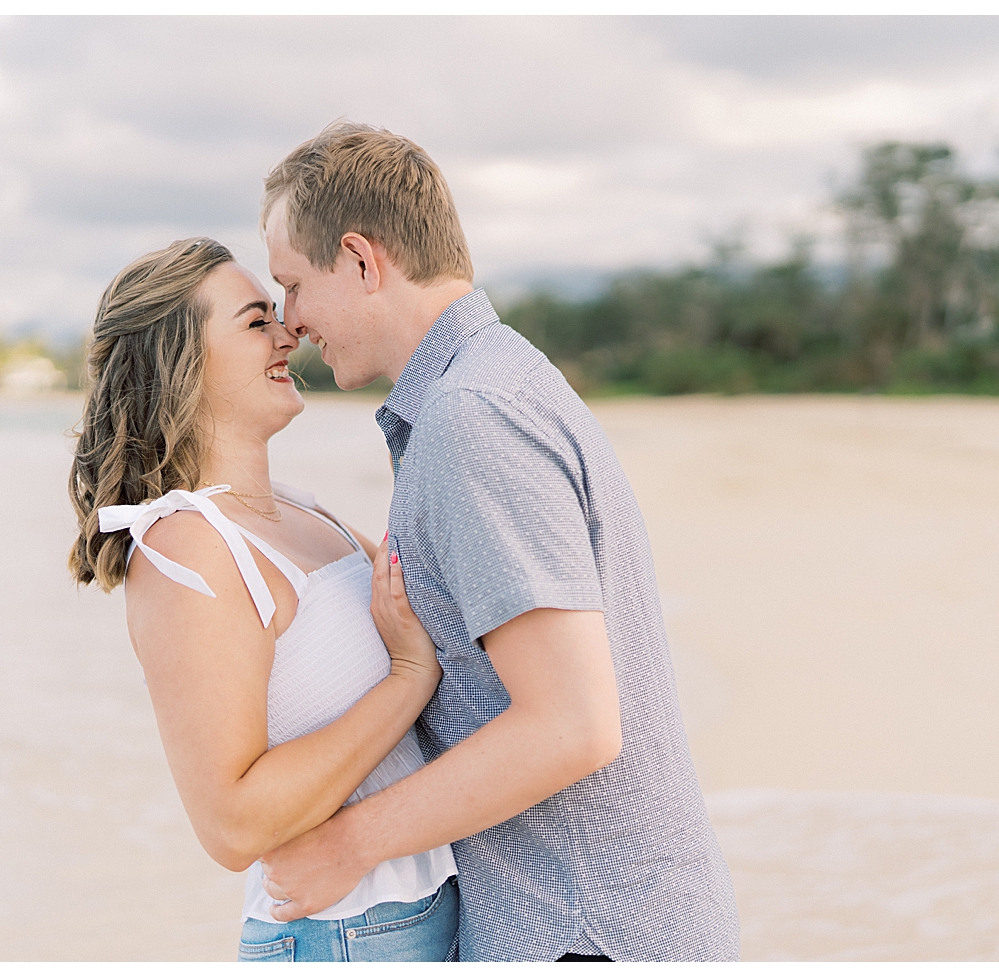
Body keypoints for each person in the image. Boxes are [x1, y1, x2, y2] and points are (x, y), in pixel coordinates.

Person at [254, 122, 742, 962]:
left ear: (364, 262)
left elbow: (574, 725)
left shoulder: (470, 419)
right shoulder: (497, 381)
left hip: (585, 934)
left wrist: (347, 844)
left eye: (294, 285)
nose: (291, 322)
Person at [67, 236, 460, 962]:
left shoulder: (303, 512)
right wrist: (409, 679)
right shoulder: (187, 547)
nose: (290, 333)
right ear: (179, 362)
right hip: (344, 935)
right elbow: (234, 824)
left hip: (422, 910)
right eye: (256, 322)